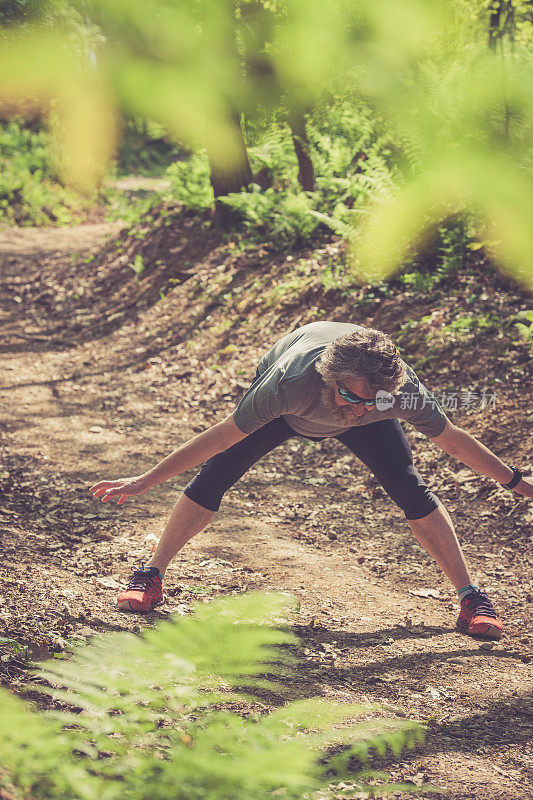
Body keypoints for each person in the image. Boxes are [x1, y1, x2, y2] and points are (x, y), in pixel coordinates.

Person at [90, 321, 532, 639]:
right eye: (351, 396)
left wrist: (516, 481)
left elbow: (452, 440)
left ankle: (471, 597)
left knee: (411, 490)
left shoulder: (396, 392)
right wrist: (146, 480)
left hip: (349, 393)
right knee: (215, 476)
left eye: (372, 401)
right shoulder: (290, 383)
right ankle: (150, 573)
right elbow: (220, 437)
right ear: (330, 378)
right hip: (291, 408)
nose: (360, 409)